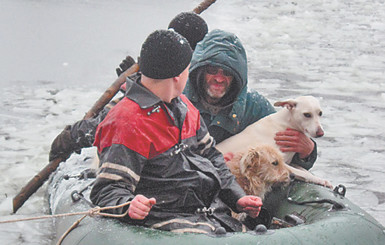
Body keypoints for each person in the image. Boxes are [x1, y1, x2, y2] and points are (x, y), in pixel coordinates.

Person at [89, 29, 262, 234]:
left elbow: (211, 157)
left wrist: (236, 197)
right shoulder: (128, 121)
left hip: (210, 213)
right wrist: (129, 205)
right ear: (178, 75)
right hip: (164, 221)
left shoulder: (186, 108)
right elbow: (108, 188)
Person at [49, 12, 209, 162]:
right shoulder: (211, 70)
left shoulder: (190, 85)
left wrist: (140, 85)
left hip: (185, 150)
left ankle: (70, 137)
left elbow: (111, 122)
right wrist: (139, 83)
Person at [184, 29, 317, 170]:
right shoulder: (177, 103)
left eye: (227, 73)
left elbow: (284, 152)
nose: (219, 78)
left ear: (237, 76)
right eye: (212, 70)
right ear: (200, 71)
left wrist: (308, 151)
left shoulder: (255, 107)